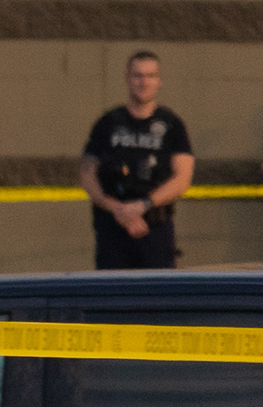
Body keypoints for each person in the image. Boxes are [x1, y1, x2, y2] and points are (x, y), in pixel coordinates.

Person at [81, 48, 196, 270]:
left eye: (150, 76)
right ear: (127, 79)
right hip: (112, 228)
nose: (144, 82)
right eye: (138, 75)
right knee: (111, 298)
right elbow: (87, 174)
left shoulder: (171, 124)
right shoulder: (108, 123)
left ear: (159, 81)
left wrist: (143, 205)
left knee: (157, 299)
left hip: (154, 226)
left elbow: (183, 178)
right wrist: (117, 209)